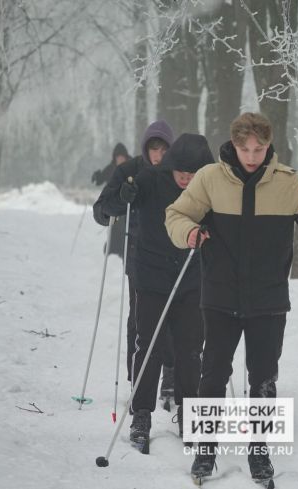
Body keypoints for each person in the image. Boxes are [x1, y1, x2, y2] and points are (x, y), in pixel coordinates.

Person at [165, 113, 298, 484]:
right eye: (245, 148)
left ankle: (259, 453)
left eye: (259, 149)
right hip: (220, 294)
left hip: (268, 299)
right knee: (211, 375)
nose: (252, 155)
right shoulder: (210, 178)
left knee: (263, 379)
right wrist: (190, 233)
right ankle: (205, 452)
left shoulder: (289, 183)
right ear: (234, 145)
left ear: (268, 146)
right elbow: (176, 214)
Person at [96, 133, 215, 452]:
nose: (186, 180)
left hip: (193, 279)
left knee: (191, 350)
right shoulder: (147, 178)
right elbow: (103, 210)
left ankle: (190, 416)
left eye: (193, 175)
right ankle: (142, 414)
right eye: (182, 174)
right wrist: (123, 196)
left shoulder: (211, 187)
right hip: (150, 277)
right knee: (148, 346)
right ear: (172, 166)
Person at [93, 121, 176, 400]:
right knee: (140, 319)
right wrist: (121, 198)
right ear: (145, 148)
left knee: (173, 318)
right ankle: (137, 378)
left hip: (175, 255)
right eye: (154, 148)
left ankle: (170, 376)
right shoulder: (129, 171)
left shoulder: (179, 173)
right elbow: (101, 210)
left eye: (164, 148)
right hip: (139, 255)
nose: (159, 155)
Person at [92, 143, 131, 257]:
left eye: (122, 157)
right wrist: (97, 176)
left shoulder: (132, 165)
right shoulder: (111, 168)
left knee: (126, 226)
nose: (120, 160)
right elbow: (101, 178)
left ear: (126, 157)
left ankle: (125, 248)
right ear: (114, 158)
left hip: (129, 203)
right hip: (114, 203)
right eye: (118, 157)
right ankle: (113, 247)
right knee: (114, 225)